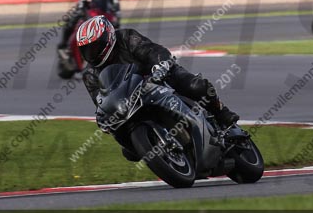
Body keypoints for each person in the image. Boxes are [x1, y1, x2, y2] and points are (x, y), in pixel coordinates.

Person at [76, 15, 239, 131]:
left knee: (195, 86)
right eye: (86, 49)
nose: (91, 53)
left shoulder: (126, 38)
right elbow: (100, 102)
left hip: (156, 77)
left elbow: (151, 50)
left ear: (108, 37)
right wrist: (102, 117)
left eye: (95, 47)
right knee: (129, 151)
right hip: (130, 102)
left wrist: (160, 65)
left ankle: (221, 112)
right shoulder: (90, 74)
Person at [57, 0, 120, 76]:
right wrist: (82, 8)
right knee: (71, 20)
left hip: (103, 21)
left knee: (116, 35)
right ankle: (64, 45)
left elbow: (117, 13)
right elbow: (81, 3)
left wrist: (116, 21)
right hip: (88, 17)